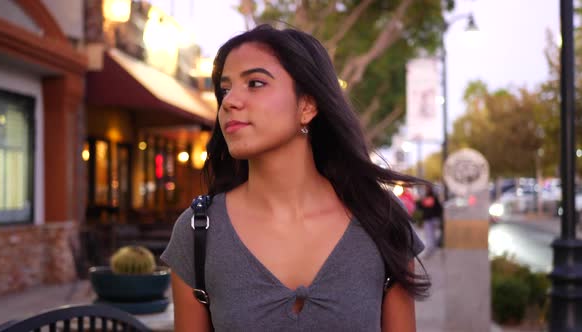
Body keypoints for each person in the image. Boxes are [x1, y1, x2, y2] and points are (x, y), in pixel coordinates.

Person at [161, 24, 430, 331]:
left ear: (307, 105)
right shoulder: (198, 234)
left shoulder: (382, 221)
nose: (229, 101)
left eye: (255, 83)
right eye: (225, 88)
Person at [417, 185, 443, 257]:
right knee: (429, 235)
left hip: (433, 218)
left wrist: (438, 217)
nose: (426, 189)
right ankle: (431, 249)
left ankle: (433, 249)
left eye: (427, 188)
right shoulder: (425, 197)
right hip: (427, 219)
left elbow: (438, 208)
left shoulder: (434, 197)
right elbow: (421, 207)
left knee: (433, 234)